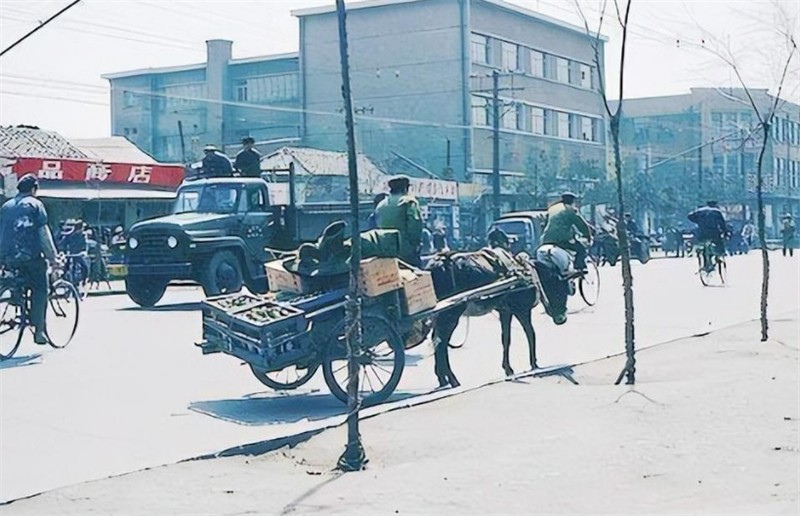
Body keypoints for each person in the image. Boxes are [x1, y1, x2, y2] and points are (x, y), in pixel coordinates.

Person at [0, 174, 59, 344]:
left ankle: (15, 296)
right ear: (34, 189)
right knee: (40, 289)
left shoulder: (6, 206)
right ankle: (39, 330)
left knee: (12, 280)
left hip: (7, 257)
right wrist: (53, 258)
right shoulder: (36, 205)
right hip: (30, 257)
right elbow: (44, 235)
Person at [375, 175, 423, 266]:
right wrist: (415, 245)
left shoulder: (381, 205)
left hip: (384, 251)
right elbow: (415, 225)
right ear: (405, 188)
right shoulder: (409, 202)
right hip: (405, 251)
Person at [540, 191, 592, 271]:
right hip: (561, 239)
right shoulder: (570, 210)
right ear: (572, 201)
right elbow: (581, 225)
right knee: (581, 249)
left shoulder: (552, 208)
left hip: (546, 239)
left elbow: (545, 223)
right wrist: (588, 235)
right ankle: (579, 268)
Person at [688, 201, 727, 271]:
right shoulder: (717, 212)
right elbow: (722, 224)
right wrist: (724, 232)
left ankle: (706, 264)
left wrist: (698, 222)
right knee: (719, 242)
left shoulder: (700, 211)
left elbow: (690, 216)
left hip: (702, 232)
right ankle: (719, 255)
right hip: (714, 232)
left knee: (703, 246)